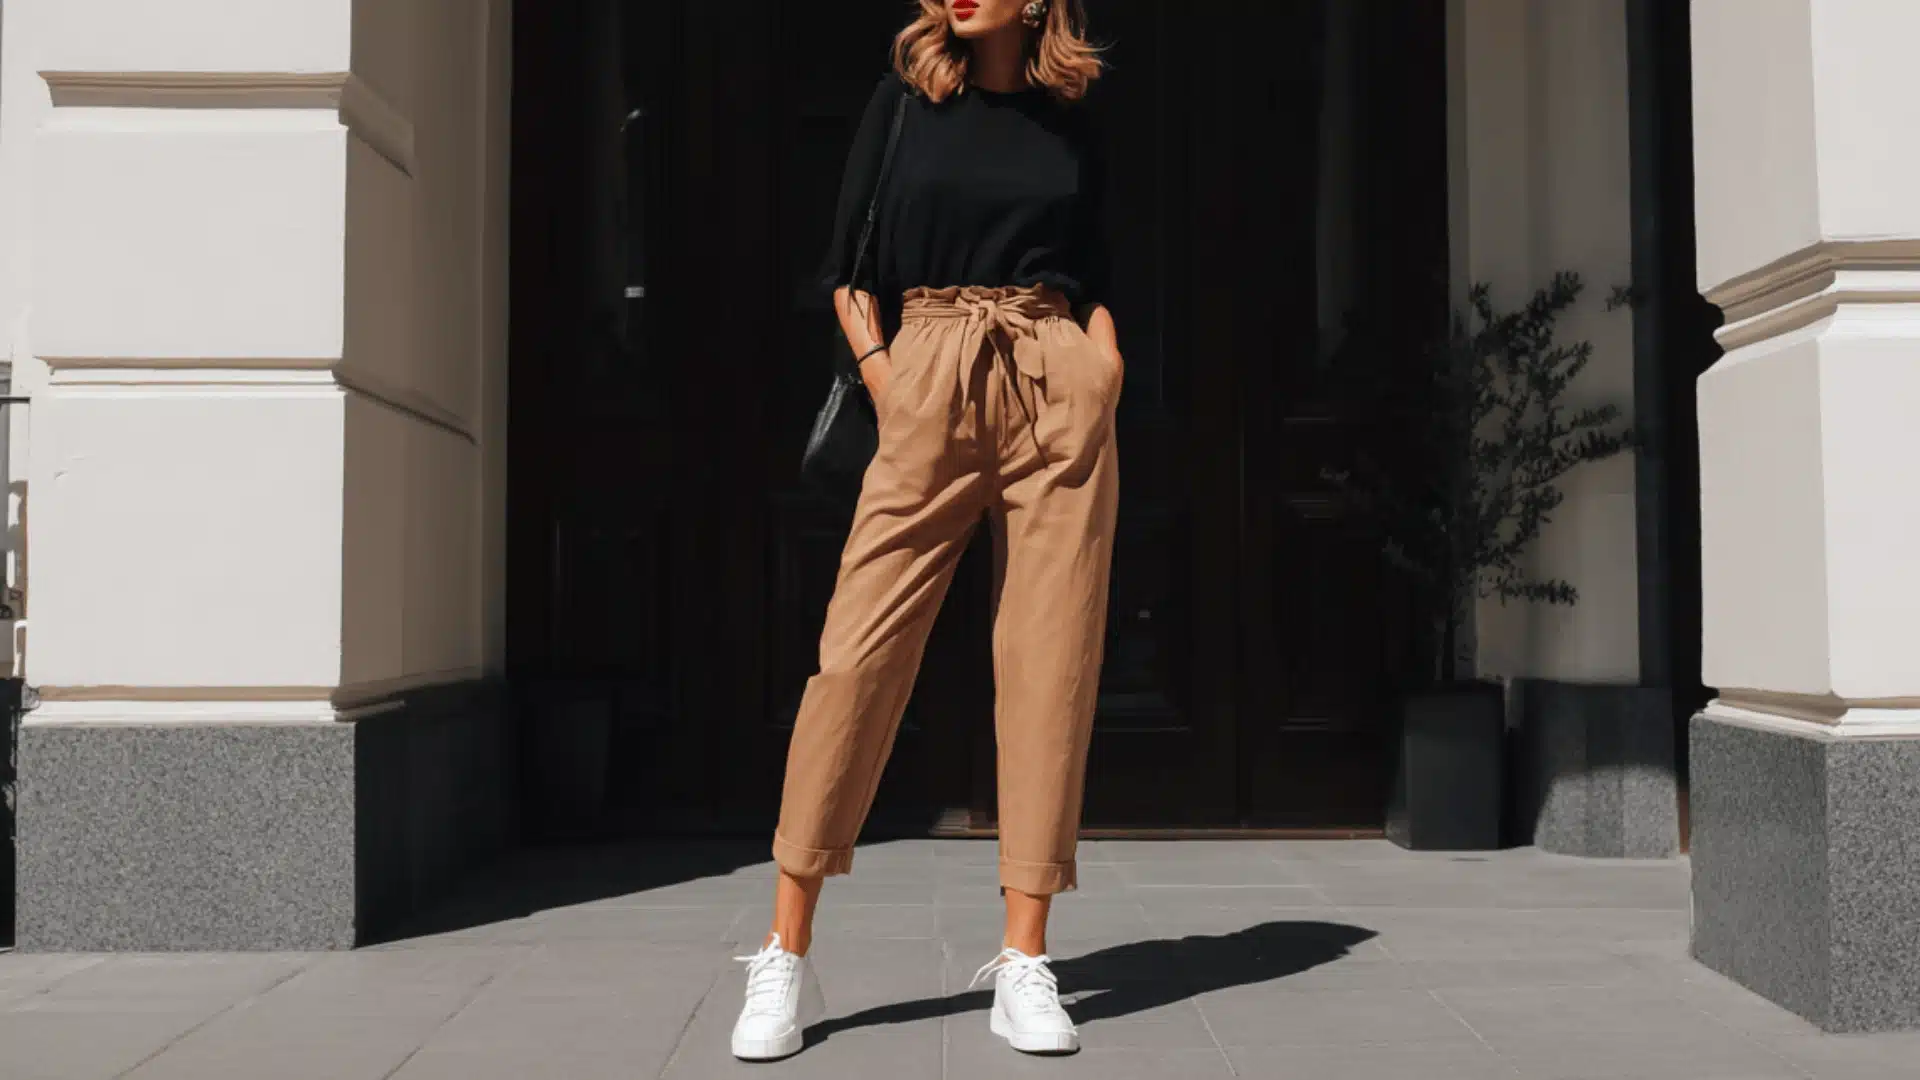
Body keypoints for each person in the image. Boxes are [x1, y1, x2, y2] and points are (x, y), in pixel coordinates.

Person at [730, 0, 1120, 1062]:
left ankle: (1026, 958)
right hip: (930, 366)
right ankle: (784, 951)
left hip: (1054, 374)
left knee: (1050, 664)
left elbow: (1106, 268)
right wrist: (889, 383)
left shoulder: (1072, 114)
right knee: (854, 659)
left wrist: (1102, 367)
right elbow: (848, 270)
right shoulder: (905, 102)